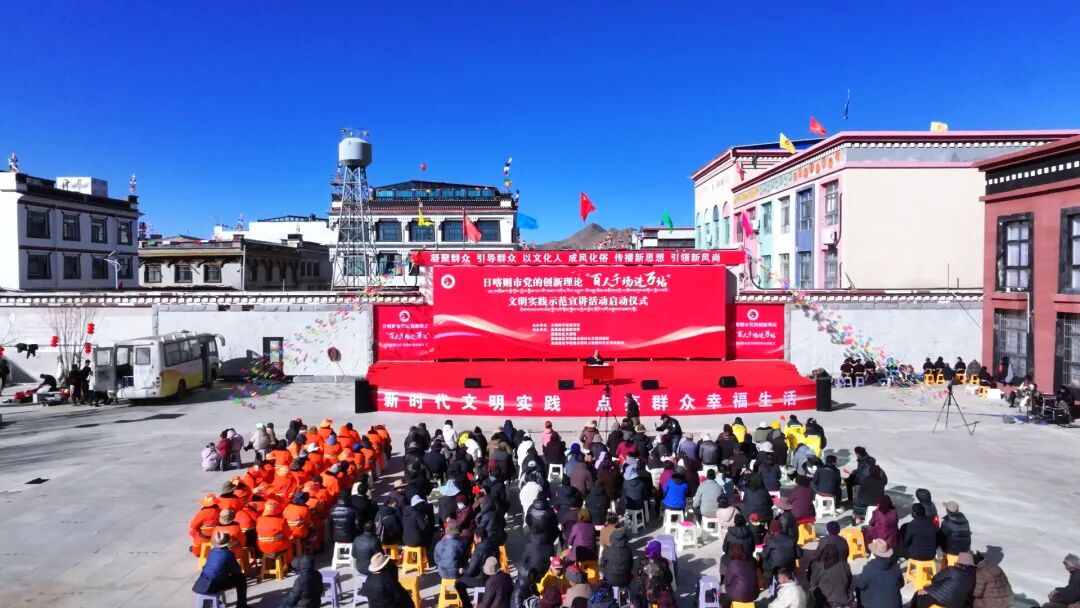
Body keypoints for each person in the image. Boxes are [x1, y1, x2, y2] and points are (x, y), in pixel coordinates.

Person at [192, 531, 249, 608]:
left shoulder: (211, 551)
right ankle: (242, 605)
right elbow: (236, 571)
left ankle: (216, 603)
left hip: (201, 583)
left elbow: (206, 567)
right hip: (214, 585)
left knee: (222, 577)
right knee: (241, 578)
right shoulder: (229, 554)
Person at [854, 539, 903, 608]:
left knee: (858, 586)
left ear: (874, 554)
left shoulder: (869, 568)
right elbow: (901, 584)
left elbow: (861, 585)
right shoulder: (896, 567)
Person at [809, 543, 853, 608]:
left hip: (827, 601)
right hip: (843, 601)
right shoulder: (845, 566)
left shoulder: (821, 566)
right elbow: (850, 582)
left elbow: (813, 583)